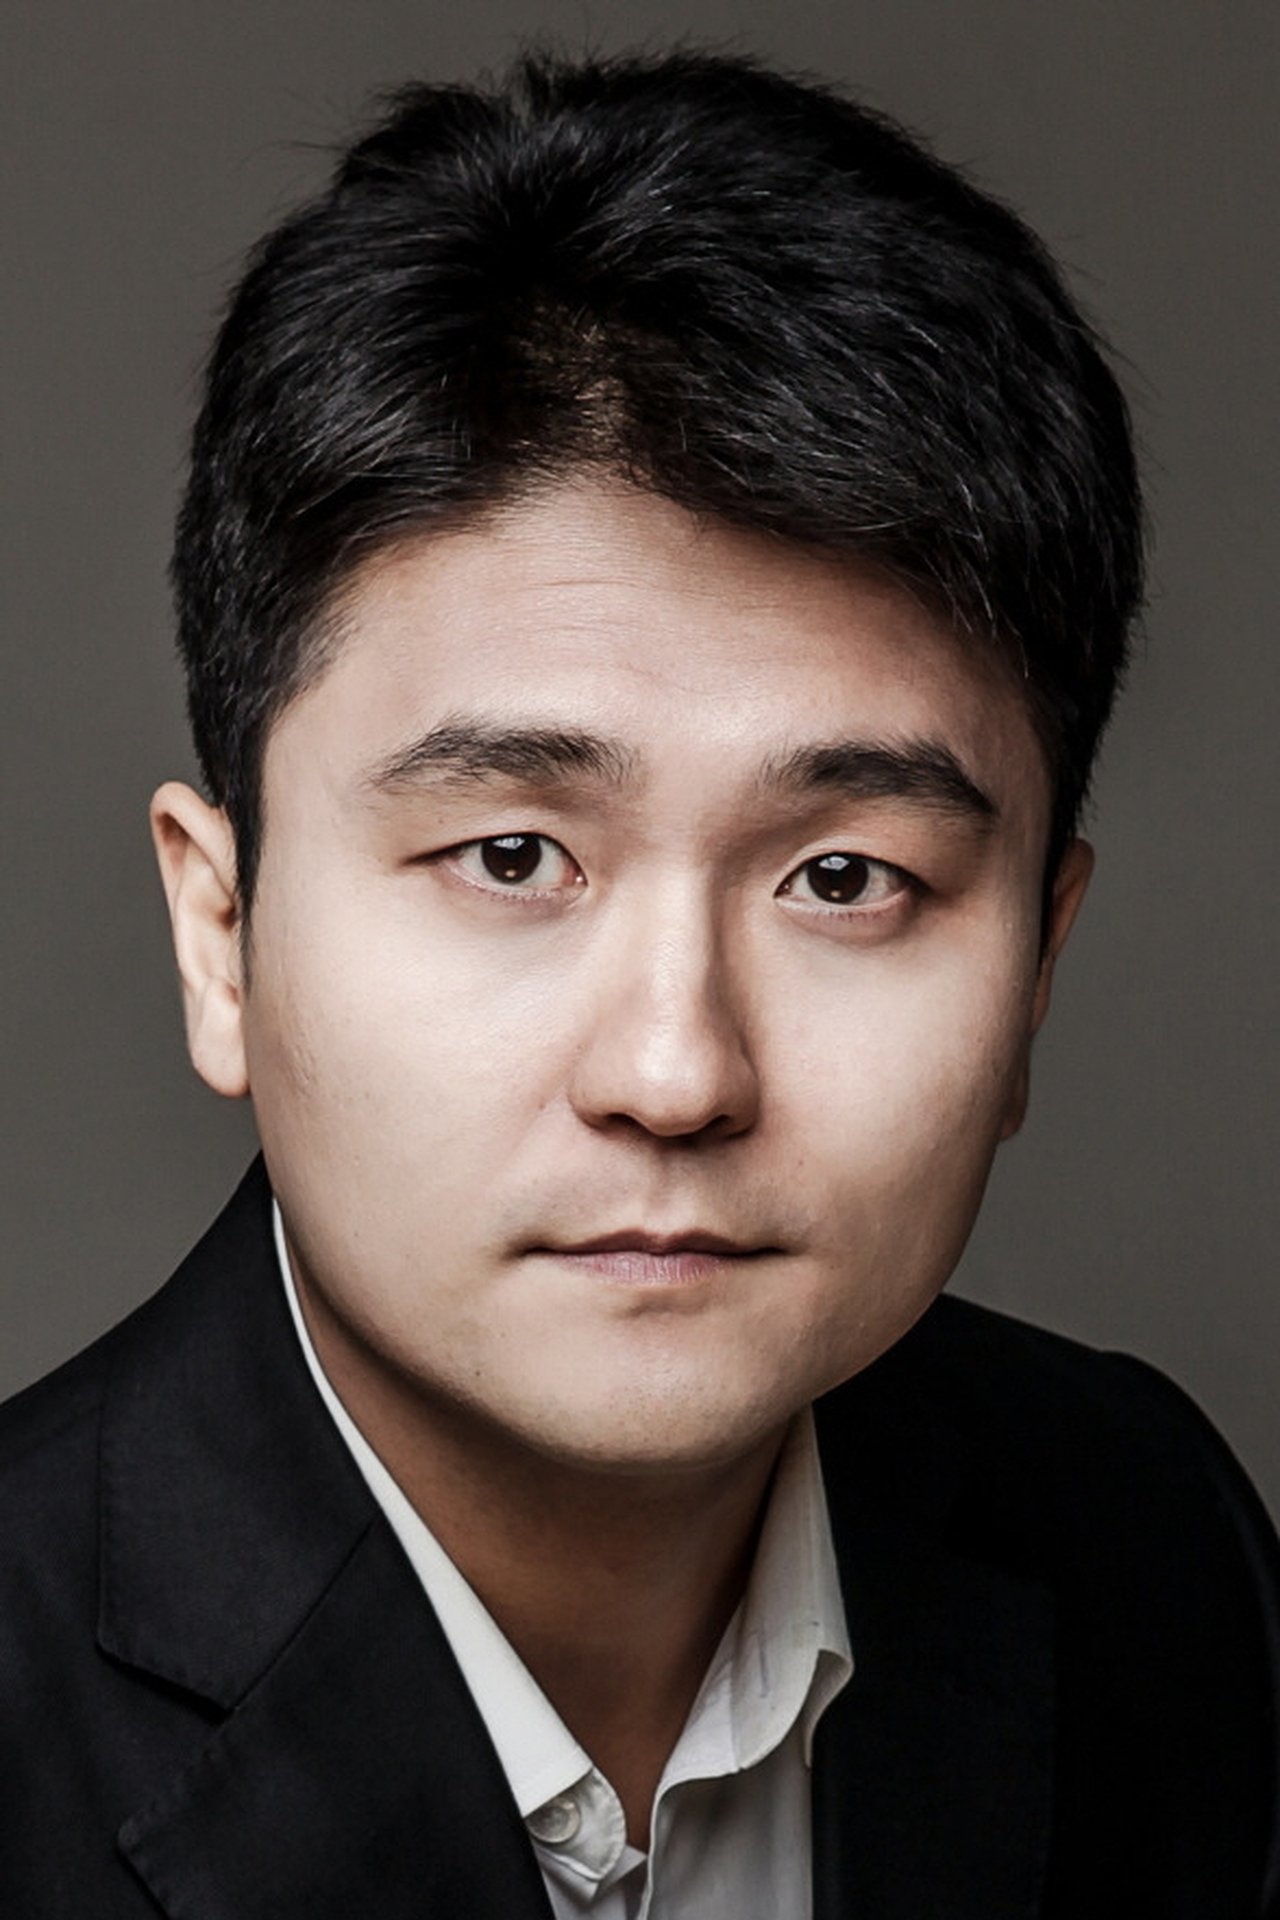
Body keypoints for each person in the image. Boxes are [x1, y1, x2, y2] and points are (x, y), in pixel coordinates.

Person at [1, 44, 1277, 1919]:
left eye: (843, 878)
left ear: (1034, 974)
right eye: (515, 857)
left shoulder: (1150, 1549)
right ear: (221, 934)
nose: (676, 1074)